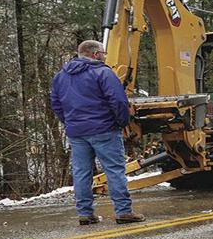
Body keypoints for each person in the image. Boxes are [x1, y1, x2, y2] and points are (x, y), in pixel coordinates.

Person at [49, 40, 143, 225]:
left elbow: (56, 103)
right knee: (114, 170)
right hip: (104, 129)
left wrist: (69, 122)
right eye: (103, 53)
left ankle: (85, 213)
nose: (105, 56)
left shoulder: (61, 76)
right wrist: (122, 122)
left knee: (81, 173)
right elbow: (118, 101)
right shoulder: (103, 73)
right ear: (95, 54)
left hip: (77, 132)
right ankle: (123, 211)